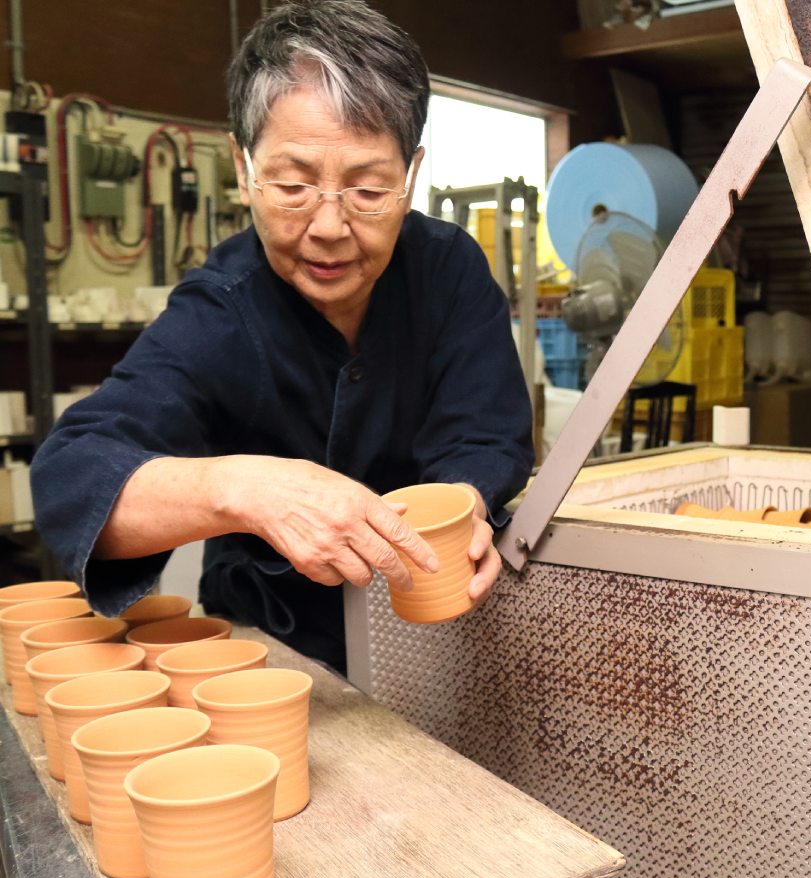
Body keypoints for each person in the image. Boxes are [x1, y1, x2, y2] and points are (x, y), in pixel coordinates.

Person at [30, 0, 534, 675]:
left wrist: (465, 501)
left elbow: (485, 435)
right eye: (293, 185)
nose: (328, 226)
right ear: (243, 171)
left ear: (411, 175)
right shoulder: (219, 310)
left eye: (367, 190)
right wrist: (242, 490)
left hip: (434, 638)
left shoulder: (450, 270)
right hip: (271, 647)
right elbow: (70, 479)